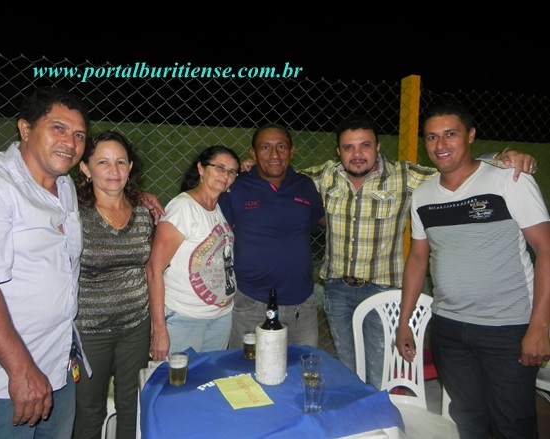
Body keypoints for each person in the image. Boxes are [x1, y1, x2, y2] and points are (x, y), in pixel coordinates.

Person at [299, 114, 538, 390]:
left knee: (379, 373)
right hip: (336, 288)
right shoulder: (326, 175)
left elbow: (456, 167)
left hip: (382, 290)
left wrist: (501, 156)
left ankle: (380, 413)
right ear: (338, 151)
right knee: (346, 367)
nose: (357, 154)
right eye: (348, 147)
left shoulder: (404, 176)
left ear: (378, 147)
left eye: (365, 145)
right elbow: (284, 175)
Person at [396, 99, 550, 438]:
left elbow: (546, 249)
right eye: (432, 137)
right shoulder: (423, 196)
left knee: (513, 424)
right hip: (449, 329)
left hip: (507, 328)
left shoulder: (509, 179)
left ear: (471, 135)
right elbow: (418, 259)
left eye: (450, 134)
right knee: (467, 421)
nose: (440, 144)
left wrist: (539, 326)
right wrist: (404, 321)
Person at [0, 86, 91, 438]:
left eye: (79, 134)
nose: (70, 142)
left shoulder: (64, 186)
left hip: (57, 366)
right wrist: (21, 370)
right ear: (25, 128)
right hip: (2, 380)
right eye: (58, 128)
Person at [72, 131, 155, 439]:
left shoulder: (144, 213)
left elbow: (147, 268)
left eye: (121, 162)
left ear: (130, 167)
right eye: (103, 162)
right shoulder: (74, 216)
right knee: (89, 410)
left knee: (132, 403)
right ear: (85, 168)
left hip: (136, 326)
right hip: (90, 331)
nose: (114, 170)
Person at [220, 123, 326, 350]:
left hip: (301, 304)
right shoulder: (236, 187)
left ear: (292, 151)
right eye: (265, 147)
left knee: (301, 366)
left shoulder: (304, 185)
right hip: (250, 301)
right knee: (246, 369)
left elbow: (322, 220)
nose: (274, 155)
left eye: (281, 147)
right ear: (253, 153)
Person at [146, 145, 241, 359]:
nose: (225, 175)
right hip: (184, 317)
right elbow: (153, 270)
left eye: (232, 171)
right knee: (177, 379)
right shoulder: (183, 208)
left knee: (208, 378)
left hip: (220, 316)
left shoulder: (216, 208)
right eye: (219, 167)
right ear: (201, 168)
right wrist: (159, 328)